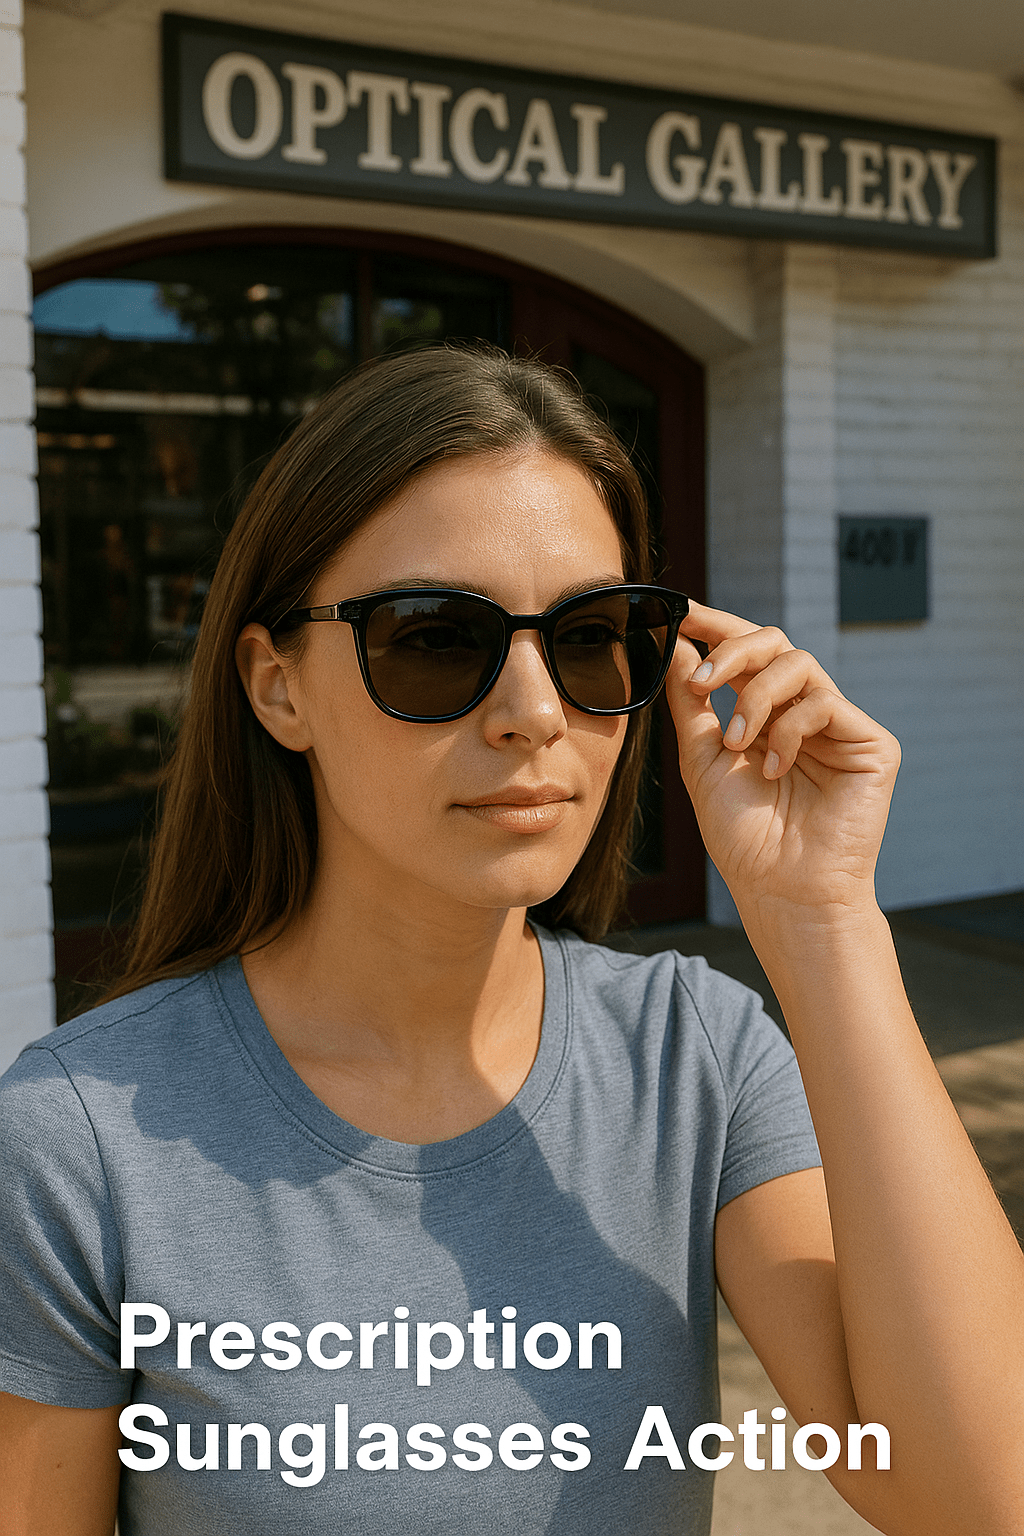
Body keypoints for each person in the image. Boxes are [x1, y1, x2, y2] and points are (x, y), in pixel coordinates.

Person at [1, 346, 1021, 1536]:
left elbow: (976, 1494)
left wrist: (823, 918)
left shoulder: (691, 1056)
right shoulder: (78, 1139)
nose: (535, 713)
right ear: (277, 688)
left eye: (588, 636)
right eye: (435, 637)